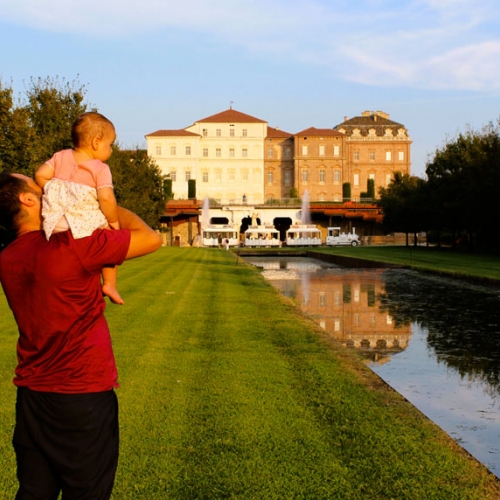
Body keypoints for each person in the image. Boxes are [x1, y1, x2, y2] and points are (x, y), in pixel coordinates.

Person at [0, 172, 161, 500]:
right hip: (82, 397)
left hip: (32, 396)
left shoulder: (7, 257)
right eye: (39, 186)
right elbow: (150, 238)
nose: (50, 188)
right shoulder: (74, 246)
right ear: (27, 200)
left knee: (33, 493)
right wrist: (105, 203)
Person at [35, 112, 123, 304]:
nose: (111, 150)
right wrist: (114, 221)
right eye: (110, 145)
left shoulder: (60, 156)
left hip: (54, 224)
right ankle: (109, 283)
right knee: (110, 243)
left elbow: (41, 175)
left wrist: (53, 191)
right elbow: (106, 198)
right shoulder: (100, 168)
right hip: (82, 224)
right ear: (96, 142)